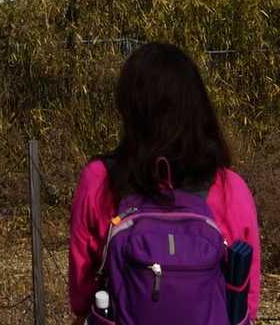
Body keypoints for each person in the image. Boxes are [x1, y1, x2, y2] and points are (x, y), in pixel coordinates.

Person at [68, 42, 261, 323]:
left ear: (129, 109)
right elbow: (247, 304)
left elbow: (81, 297)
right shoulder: (230, 188)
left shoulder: (100, 180)